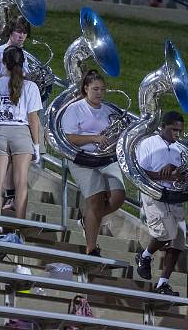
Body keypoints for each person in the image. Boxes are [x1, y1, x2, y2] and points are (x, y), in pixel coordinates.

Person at [60, 69, 126, 256]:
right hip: (82, 159)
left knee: (118, 197)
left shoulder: (109, 111)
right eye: (95, 89)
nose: (99, 93)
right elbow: (70, 137)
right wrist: (94, 139)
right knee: (96, 201)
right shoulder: (75, 108)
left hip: (105, 159)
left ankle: (87, 220)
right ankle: (91, 248)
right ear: (86, 88)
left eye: (102, 90)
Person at [0, 45, 41, 220]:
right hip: (22, 133)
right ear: (23, 63)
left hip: (0, 132)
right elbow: (33, 119)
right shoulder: (30, 86)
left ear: (3, 62)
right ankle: (20, 223)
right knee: (21, 182)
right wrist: (37, 145)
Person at [134, 111, 187, 296]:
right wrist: (162, 175)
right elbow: (139, 172)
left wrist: (176, 171)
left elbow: (183, 176)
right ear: (163, 127)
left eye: (179, 131)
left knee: (179, 238)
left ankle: (163, 283)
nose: (177, 134)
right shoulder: (148, 144)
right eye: (173, 130)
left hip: (174, 195)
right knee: (166, 233)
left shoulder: (180, 149)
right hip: (153, 194)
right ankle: (145, 255)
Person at [0, 15, 32, 214]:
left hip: (5, 123)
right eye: (18, 31)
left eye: (25, 32)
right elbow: (1, 83)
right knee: (20, 178)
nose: (22, 36)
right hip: (14, 121)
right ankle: (18, 221)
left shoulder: (25, 57)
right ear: (10, 32)